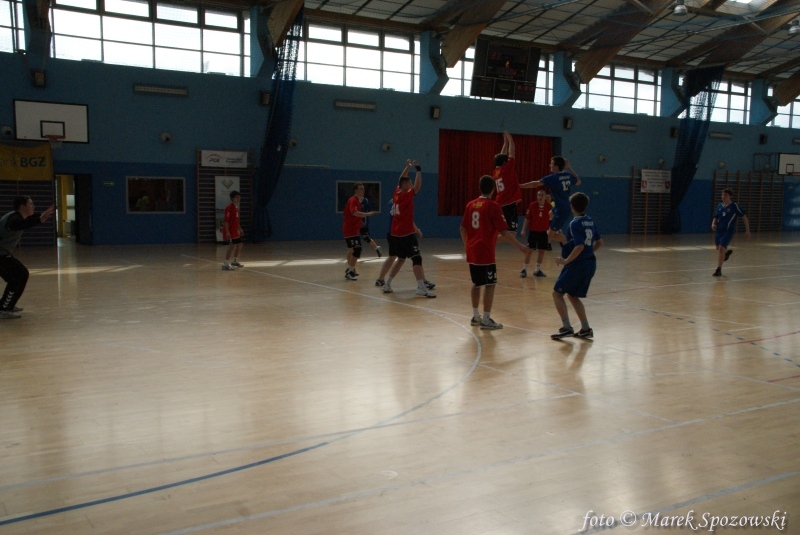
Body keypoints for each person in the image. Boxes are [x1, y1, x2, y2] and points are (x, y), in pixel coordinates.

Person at [461, 175, 529, 330]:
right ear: (493, 189)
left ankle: (475, 316)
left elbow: (462, 228)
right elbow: (505, 232)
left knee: (476, 284)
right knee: (490, 284)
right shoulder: (493, 206)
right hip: (485, 252)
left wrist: (467, 246)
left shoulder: (470, 205)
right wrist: (521, 247)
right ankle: (486, 320)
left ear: (480, 187)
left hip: (472, 252)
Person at [550, 192, 603, 340]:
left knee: (557, 294)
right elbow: (599, 243)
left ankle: (567, 327)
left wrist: (566, 260)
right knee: (572, 295)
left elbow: (579, 246)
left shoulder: (574, 223)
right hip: (590, 264)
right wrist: (587, 252)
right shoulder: (589, 221)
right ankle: (585, 329)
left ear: (571, 206)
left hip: (578, 265)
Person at [382, 160, 436, 298]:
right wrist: (418, 170)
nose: (411, 184)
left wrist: (407, 168)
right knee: (417, 258)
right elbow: (417, 187)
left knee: (400, 259)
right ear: (405, 185)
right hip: (406, 234)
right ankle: (421, 287)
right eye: (409, 182)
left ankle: (387, 284)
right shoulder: (406, 195)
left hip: (395, 234)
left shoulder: (396, 193)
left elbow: (401, 179)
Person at [0, 196, 55, 319]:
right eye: (30, 204)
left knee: (18, 276)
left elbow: (28, 220)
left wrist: (41, 216)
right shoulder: (13, 219)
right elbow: (16, 225)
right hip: (1, 254)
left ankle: (6, 305)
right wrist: (40, 219)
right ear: (22, 207)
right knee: (20, 274)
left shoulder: (18, 216)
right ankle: (4, 308)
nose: (33, 206)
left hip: (2, 253)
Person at [520, 156, 581, 240]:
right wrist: (569, 168)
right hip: (561, 206)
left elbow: (536, 184)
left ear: (556, 166)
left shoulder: (553, 178)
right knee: (550, 214)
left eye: (551, 164)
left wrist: (520, 186)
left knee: (549, 236)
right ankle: (556, 228)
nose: (550, 165)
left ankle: (575, 242)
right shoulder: (567, 175)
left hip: (562, 210)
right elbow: (578, 182)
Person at [711, 188, 751, 277]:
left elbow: (744, 217)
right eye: (722, 195)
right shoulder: (719, 206)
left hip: (728, 231)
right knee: (719, 249)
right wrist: (713, 224)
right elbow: (715, 217)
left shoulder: (734, 206)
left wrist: (747, 230)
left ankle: (718, 269)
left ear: (730, 196)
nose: (723, 196)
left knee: (721, 248)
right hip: (719, 231)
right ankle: (726, 254)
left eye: (726, 195)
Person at [343, 183, 377, 280]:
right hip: (350, 230)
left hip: (353, 230)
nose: (363, 190)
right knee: (357, 250)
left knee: (354, 250)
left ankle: (350, 269)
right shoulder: (353, 200)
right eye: (361, 189)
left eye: (363, 189)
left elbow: (351, 214)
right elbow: (354, 212)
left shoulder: (357, 201)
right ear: (355, 190)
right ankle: (350, 271)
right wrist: (367, 214)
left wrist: (359, 220)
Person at [491, 131, 523, 234]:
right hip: (508, 204)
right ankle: (489, 240)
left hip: (500, 203)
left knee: (502, 231)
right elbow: (512, 153)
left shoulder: (496, 171)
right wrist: (511, 140)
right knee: (512, 233)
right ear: (505, 162)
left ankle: (490, 239)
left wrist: (505, 143)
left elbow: (502, 156)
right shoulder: (507, 169)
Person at [520, 189, 553, 278]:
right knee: (529, 251)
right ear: (537, 196)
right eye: (539, 195)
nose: (540, 197)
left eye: (542, 195)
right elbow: (527, 218)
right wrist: (523, 229)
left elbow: (553, 219)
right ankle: (524, 269)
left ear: (545, 197)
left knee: (542, 251)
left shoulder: (549, 207)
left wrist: (556, 229)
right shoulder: (532, 205)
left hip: (543, 232)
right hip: (533, 232)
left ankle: (537, 270)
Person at [221, 191, 244, 271]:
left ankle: (234, 261)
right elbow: (225, 221)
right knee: (231, 246)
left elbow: (236, 221)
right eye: (237, 197)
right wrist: (227, 232)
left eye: (239, 197)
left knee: (239, 245)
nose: (238, 199)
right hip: (230, 231)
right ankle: (225, 264)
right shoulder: (229, 208)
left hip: (235, 231)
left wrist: (240, 229)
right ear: (232, 198)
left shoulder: (236, 208)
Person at [359, 194, 382, 258]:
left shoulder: (365, 201)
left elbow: (369, 211)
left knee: (366, 238)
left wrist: (367, 215)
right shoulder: (353, 200)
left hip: (363, 223)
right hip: (355, 222)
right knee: (354, 237)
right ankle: (356, 253)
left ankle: (377, 248)